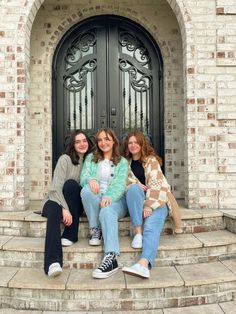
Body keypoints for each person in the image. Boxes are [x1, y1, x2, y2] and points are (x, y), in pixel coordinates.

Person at [122, 130, 182, 279]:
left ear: (142, 144)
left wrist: (149, 205)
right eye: (130, 143)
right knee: (133, 188)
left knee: (150, 226)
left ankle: (143, 264)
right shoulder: (125, 164)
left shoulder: (151, 160)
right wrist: (134, 183)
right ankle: (138, 233)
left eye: (136, 142)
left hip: (158, 201)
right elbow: (121, 183)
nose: (133, 145)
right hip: (137, 204)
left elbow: (157, 184)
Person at [42, 129, 92, 277]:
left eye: (84, 141)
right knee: (53, 212)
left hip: (77, 204)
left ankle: (71, 235)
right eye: (77, 142)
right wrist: (64, 208)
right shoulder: (65, 159)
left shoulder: (91, 162)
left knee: (72, 185)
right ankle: (53, 262)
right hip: (54, 199)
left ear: (88, 143)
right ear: (73, 144)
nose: (82, 144)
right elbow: (55, 188)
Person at [80, 128, 128, 279]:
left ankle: (111, 257)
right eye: (100, 140)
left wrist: (109, 197)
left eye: (107, 139)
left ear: (113, 141)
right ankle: (96, 230)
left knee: (107, 211)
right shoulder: (91, 158)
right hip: (96, 197)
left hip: (116, 201)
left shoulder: (122, 162)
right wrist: (90, 180)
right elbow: (83, 177)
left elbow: (120, 185)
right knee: (86, 191)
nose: (103, 143)